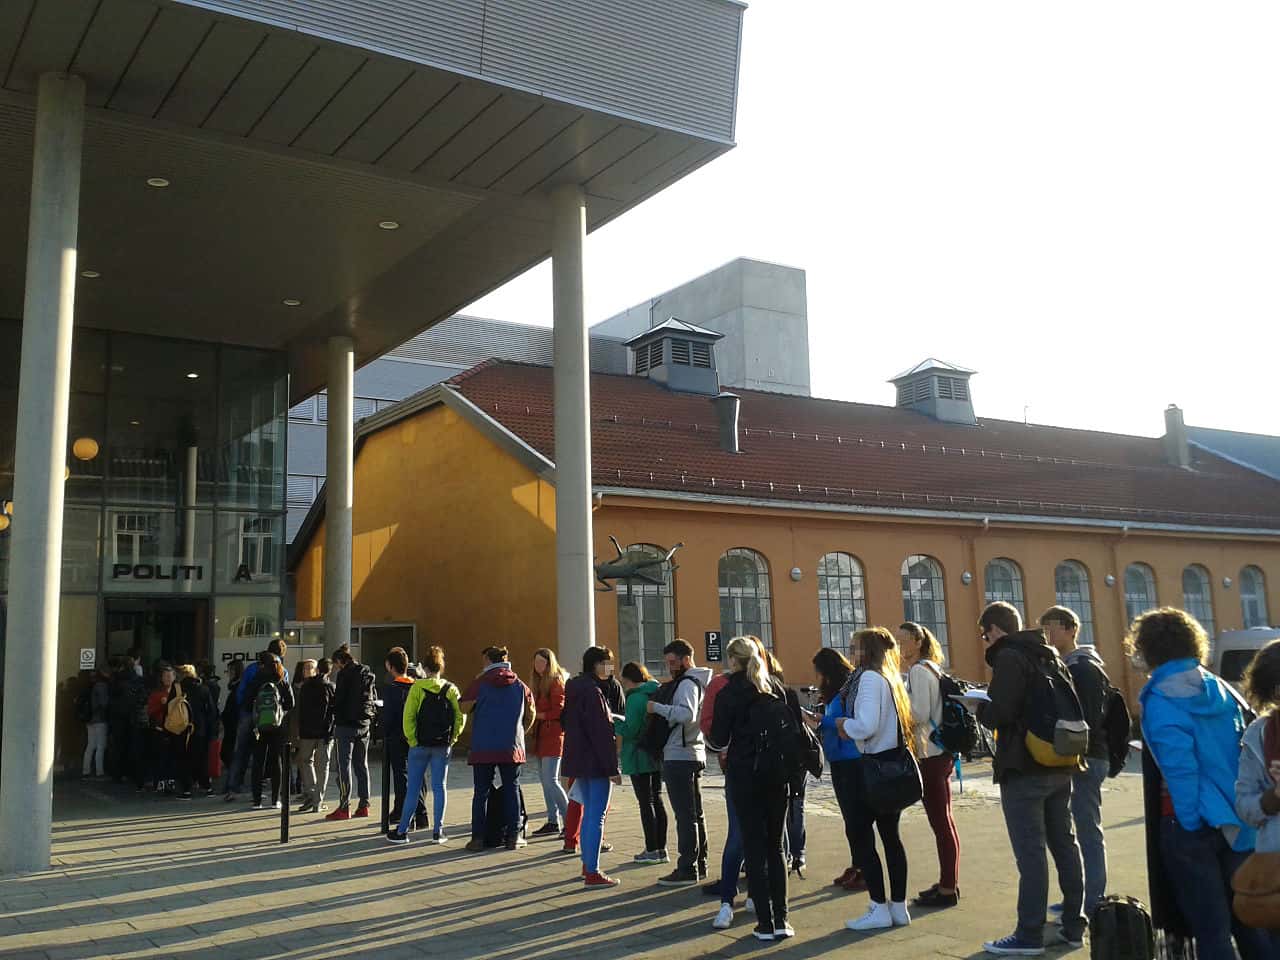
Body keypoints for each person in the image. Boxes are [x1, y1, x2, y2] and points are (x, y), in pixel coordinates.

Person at [1133, 608, 1274, 960]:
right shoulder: (1220, 689)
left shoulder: (1161, 698)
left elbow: (1181, 769)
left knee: (1211, 929)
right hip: (1237, 820)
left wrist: (1189, 822)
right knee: (1250, 915)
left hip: (1191, 824)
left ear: (1148, 648)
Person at [976, 602, 1086, 956]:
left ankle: (1029, 934)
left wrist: (978, 707)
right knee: (1065, 846)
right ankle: (1073, 926)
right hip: (1059, 761)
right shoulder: (1049, 653)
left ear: (995, 630)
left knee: (1032, 854)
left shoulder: (1010, 657)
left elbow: (1000, 712)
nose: (984, 641)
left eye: (984, 634)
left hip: (1024, 766)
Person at [709, 635, 803, 941]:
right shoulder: (776, 688)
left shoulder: (729, 692)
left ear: (732, 661)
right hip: (777, 774)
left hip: (745, 774)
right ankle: (782, 919)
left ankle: (764, 922)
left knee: (753, 845)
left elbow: (719, 739)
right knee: (775, 846)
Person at [840, 627, 915, 932]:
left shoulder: (869, 679)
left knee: (862, 838)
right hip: (890, 766)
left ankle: (878, 905)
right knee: (891, 839)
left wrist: (846, 724)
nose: (851, 653)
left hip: (872, 767)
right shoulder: (889, 677)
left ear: (866, 651)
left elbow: (867, 725)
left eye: (855, 647)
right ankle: (897, 907)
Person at [1039, 606, 1110, 919]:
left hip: (1088, 757)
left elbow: (1087, 718)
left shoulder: (1082, 667)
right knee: (1075, 829)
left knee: (1087, 829)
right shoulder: (1067, 665)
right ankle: (1080, 898)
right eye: (1044, 629)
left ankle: (1093, 900)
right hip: (1079, 756)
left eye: (1051, 628)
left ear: (1070, 629)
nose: (1047, 635)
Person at [898, 621, 960, 908]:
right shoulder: (930, 668)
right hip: (939, 751)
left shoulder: (920, 671)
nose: (899, 647)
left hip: (930, 753)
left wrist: (899, 705)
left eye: (904, 641)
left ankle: (948, 888)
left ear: (917, 642)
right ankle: (948, 882)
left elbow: (920, 712)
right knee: (944, 821)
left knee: (941, 823)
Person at [648, 638, 713, 886]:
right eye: (667, 663)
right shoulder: (699, 681)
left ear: (687, 659)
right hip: (693, 752)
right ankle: (700, 863)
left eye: (673, 662)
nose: (670, 668)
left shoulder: (687, 683)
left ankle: (687, 867)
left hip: (680, 754)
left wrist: (657, 708)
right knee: (695, 813)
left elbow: (686, 714)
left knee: (685, 815)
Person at [459, 645, 535, 852]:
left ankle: (478, 838)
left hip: (483, 746)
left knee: (481, 793)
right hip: (511, 746)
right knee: (512, 789)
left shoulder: (480, 683)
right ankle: (513, 836)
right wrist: (519, 732)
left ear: (487, 661)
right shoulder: (521, 686)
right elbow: (531, 715)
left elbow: (462, 706)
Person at [388, 645, 465, 844]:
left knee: (413, 788)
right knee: (440, 787)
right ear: (441, 666)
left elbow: (408, 718)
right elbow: (460, 717)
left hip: (419, 745)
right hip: (442, 745)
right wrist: (453, 738)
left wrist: (413, 740)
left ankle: (403, 830)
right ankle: (438, 831)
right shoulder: (451, 689)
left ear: (425, 667)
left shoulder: (417, 688)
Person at [804, 647, 865, 894]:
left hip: (851, 758)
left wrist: (819, 720)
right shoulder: (833, 693)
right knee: (849, 818)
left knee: (857, 817)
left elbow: (847, 721)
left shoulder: (846, 691)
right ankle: (856, 863)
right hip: (838, 758)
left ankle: (864, 867)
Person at [562, 645, 624, 888]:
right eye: (606, 663)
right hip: (596, 762)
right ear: (596, 665)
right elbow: (600, 733)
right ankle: (592, 870)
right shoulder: (594, 693)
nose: (610, 668)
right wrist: (612, 768)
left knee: (589, 813)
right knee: (596, 816)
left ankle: (588, 863)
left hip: (578, 759)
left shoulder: (576, 688)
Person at [616, 661, 667, 864]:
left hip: (638, 756)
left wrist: (615, 722)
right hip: (655, 752)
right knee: (657, 799)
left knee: (646, 803)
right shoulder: (654, 691)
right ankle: (661, 849)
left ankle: (651, 849)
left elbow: (631, 730)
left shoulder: (635, 699)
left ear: (629, 680)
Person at [225, 637, 289, 800]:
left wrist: (245, 710)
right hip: (273, 720)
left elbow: (242, 692)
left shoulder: (252, 669)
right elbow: (288, 700)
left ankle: (233, 787)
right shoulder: (282, 671)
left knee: (241, 751)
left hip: (250, 714)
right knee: (272, 757)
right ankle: (271, 793)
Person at [326, 644, 376, 821]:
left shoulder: (344, 674)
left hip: (345, 725)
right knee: (362, 765)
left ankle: (344, 806)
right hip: (364, 724)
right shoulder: (366, 673)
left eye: (336, 664)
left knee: (343, 766)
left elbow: (339, 700)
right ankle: (364, 805)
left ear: (340, 661)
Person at [382, 648, 428, 830]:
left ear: (389, 666)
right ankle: (420, 812)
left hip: (397, 736)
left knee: (401, 775)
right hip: (417, 736)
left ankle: (404, 812)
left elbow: (389, 717)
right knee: (420, 775)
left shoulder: (392, 689)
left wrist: (384, 732)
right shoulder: (417, 685)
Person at [530, 647, 570, 837]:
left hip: (553, 734)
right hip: (540, 735)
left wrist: (539, 715)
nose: (538, 666)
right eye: (536, 662)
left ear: (549, 663)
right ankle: (552, 821)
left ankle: (569, 820)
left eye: (542, 662)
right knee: (545, 782)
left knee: (551, 780)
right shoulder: (537, 683)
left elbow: (559, 710)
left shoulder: (556, 682)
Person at [249, 652, 296, 810]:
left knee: (258, 762)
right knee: (277, 761)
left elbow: (246, 700)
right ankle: (275, 800)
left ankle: (257, 801)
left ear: (261, 664)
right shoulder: (282, 680)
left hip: (259, 727)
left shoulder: (256, 680)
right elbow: (291, 703)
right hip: (278, 727)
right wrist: (280, 712)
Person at [296, 658, 336, 813]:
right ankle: (317, 801)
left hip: (307, 732)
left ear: (318, 669)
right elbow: (333, 711)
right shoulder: (331, 687)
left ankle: (311, 794)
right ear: (330, 671)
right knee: (323, 767)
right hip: (325, 733)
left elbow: (301, 710)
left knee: (305, 761)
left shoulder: (306, 686)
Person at [175, 664, 217, 799]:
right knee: (201, 758)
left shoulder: (177, 689)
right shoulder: (204, 689)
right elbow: (211, 712)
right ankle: (207, 787)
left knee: (184, 758)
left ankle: (186, 790)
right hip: (200, 728)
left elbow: (170, 709)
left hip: (182, 728)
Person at [147, 663, 177, 794]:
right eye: (165, 676)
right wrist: (162, 705)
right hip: (160, 729)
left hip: (175, 729)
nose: (168, 678)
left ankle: (171, 781)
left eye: (170, 676)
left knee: (172, 757)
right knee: (160, 756)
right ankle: (159, 782)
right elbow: (151, 711)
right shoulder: (156, 693)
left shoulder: (179, 692)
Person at [81, 667, 111, 779]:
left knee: (90, 745)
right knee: (100, 746)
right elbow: (104, 703)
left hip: (89, 719)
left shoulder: (89, 686)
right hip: (100, 719)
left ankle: (86, 770)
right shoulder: (101, 686)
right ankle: (99, 771)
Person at [220, 660, 245, 780]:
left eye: (229, 671)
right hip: (233, 722)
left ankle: (234, 781)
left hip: (234, 722)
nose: (228, 674)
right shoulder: (238, 687)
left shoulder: (238, 688)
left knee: (228, 752)